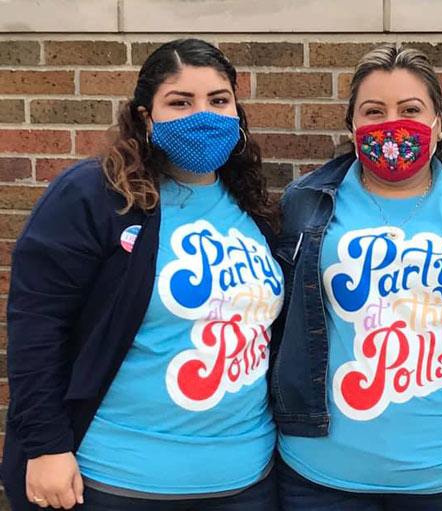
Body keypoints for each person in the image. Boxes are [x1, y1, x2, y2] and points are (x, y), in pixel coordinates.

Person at [1, 39, 283, 510]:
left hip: (245, 481)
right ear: (145, 116)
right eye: (180, 102)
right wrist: (46, 445)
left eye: (218, 101)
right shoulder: (94, 196)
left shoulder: (251, 210)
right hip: (119, 481)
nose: (204, 115)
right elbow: (37, 325)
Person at [271, 44, 442, 511]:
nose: (391, 123)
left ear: (438, 124)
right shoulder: (306, 201)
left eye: (410, 110)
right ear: (352, 126)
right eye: (373, 111)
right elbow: (280, 324)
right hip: (319, 474)